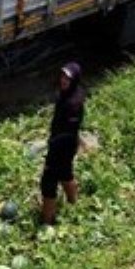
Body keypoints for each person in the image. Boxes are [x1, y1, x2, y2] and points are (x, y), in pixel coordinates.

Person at [40, 62, 86, 226]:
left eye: (67, 78)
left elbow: (68, 131)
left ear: (74, 80)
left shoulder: (71, 103)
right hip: (67, 143)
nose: (63, 81)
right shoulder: (73, 92)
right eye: (63, 76)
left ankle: (47, 221)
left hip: (62, 146)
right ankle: (74, 203)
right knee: (66, 173)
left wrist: (52, 146)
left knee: (48, 182)